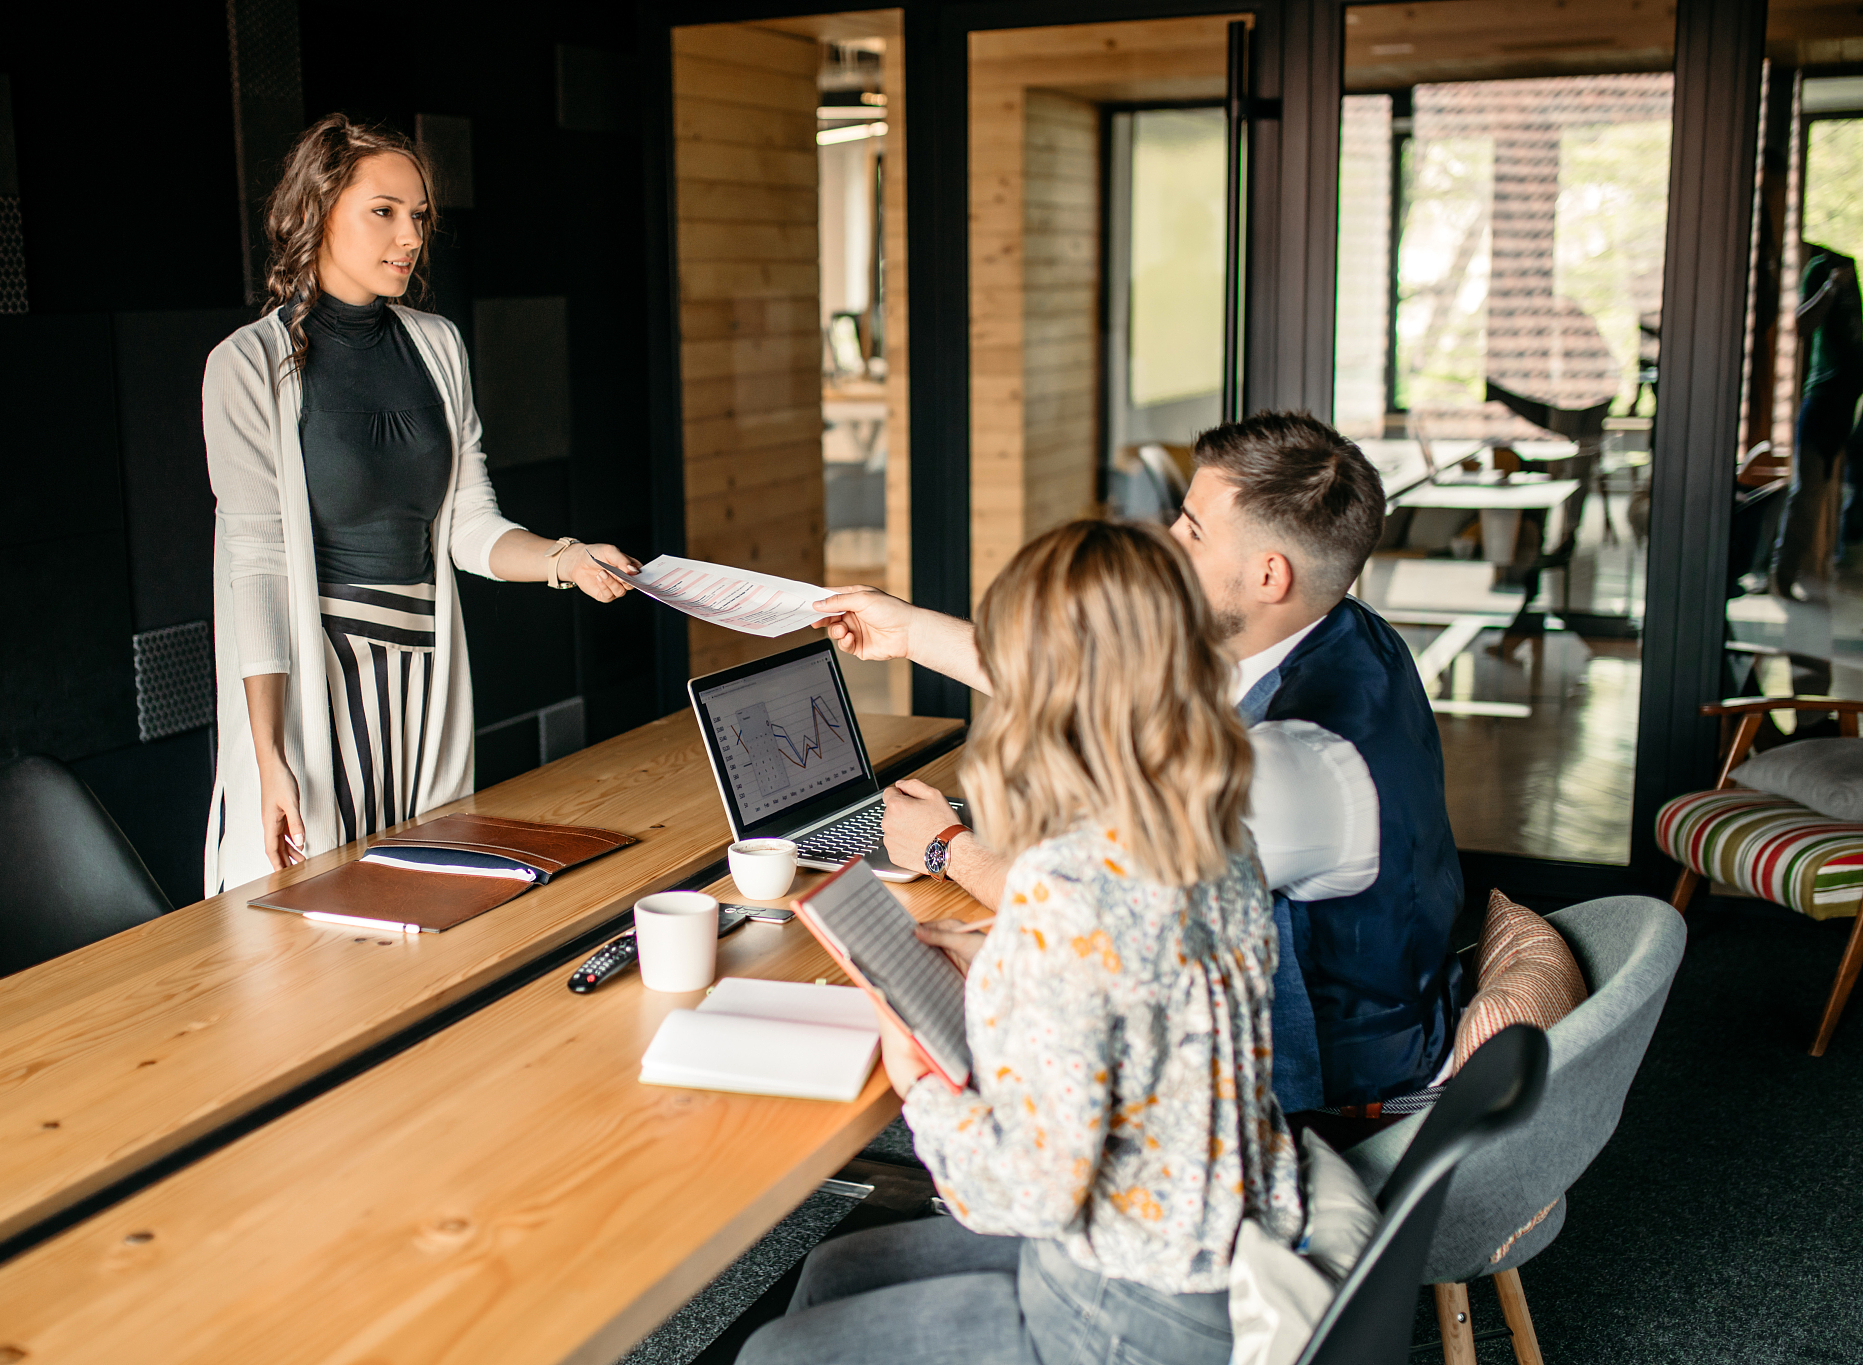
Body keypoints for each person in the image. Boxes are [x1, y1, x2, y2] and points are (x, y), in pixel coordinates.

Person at [739, 520, 1301, 1365]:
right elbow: (1133, 988)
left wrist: (915, 1074)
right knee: (833, 1270)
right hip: (1216, 1241)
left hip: (1131, 1307)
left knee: (772, 1355)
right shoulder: (1216, 838)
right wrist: (1013, 959)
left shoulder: (1067, 885)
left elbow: (1022, 1194)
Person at [816, 411, 1463, 1127]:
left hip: (1310, 1113)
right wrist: (907, 631)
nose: (1168, 542)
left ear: (1268, 575)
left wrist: (945, 847)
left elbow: (1088, 920)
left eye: (1193, 531)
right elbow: (1102, 698)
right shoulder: (1332, 629)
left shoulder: (1286, 772)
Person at [202, 115, 640, 893]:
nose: (410, 237)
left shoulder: (438, 346)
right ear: (317, 210)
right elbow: (257, 569)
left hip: (423, 675)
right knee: (315, 919)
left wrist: (566, 559)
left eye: (419, 216)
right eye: (384, 211)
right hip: (313, 686)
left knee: (429, 898)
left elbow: (470, 523)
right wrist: (267, 755)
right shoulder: (246, 365)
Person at [1774, 242, 1863, 598]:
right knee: (1807, 494)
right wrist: (1831, 288)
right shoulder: (1826, 269)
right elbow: (1801, 324)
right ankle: (1783, 575)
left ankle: (1842, 563)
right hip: (1824, 399)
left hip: (1852, 403)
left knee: (1846, 489)